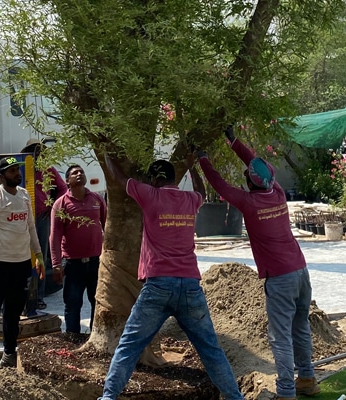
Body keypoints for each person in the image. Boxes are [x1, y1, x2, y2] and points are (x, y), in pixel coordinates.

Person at [100, 156, 244, 400]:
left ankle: (108, 397)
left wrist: (107, 155)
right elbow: (201, 191)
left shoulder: (151, 195)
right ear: (173, 179)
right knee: (211, 350)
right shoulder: (189, 199)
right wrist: (196, 164)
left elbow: (120, 179)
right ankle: (235, 398)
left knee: (129, 346)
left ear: (155, 179)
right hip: (190, 287)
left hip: (157, 287)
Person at [197, 125, 319, 400]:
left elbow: (219, 185)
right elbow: (255, 163)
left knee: (280, 337)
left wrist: (203, 158)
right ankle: (308, 379)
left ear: (250, 183)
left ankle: (286, 392)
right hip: (301, 271)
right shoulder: (276, 192)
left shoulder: (249, 203)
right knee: (300, 328)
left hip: (280, 278)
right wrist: (233, 140)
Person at [0, 156, 45, 369]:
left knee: (14, 313)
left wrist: (39, 255)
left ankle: (9, 354)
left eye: (17, 169)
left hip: (22, 263)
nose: (17, 173)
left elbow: (31, 228)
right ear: (2, 176)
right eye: (12, 171)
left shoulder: (24, 196)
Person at [49, 164, 106, 333]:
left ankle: (94, 336)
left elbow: (108, 225)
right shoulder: (61, 205)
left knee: (98, 302)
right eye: (75, 173)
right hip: (73, 264)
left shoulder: (97, 199)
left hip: (95, 262)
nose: (79, 174)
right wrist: (56, 264)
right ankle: (73, 337)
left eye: (81, 171)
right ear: (67, 181)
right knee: (73, 304)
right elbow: (55, 235)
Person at [21, 138, 67, 310]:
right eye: (34, 150)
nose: (38, 154)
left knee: (40, 256)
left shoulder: (48, 170)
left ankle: (38, 296)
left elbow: (63, 188)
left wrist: (53, 205)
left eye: (40, 151)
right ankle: (21, 295)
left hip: (41, 218)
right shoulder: (21, 167)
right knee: (22, 257)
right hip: (22, 219)